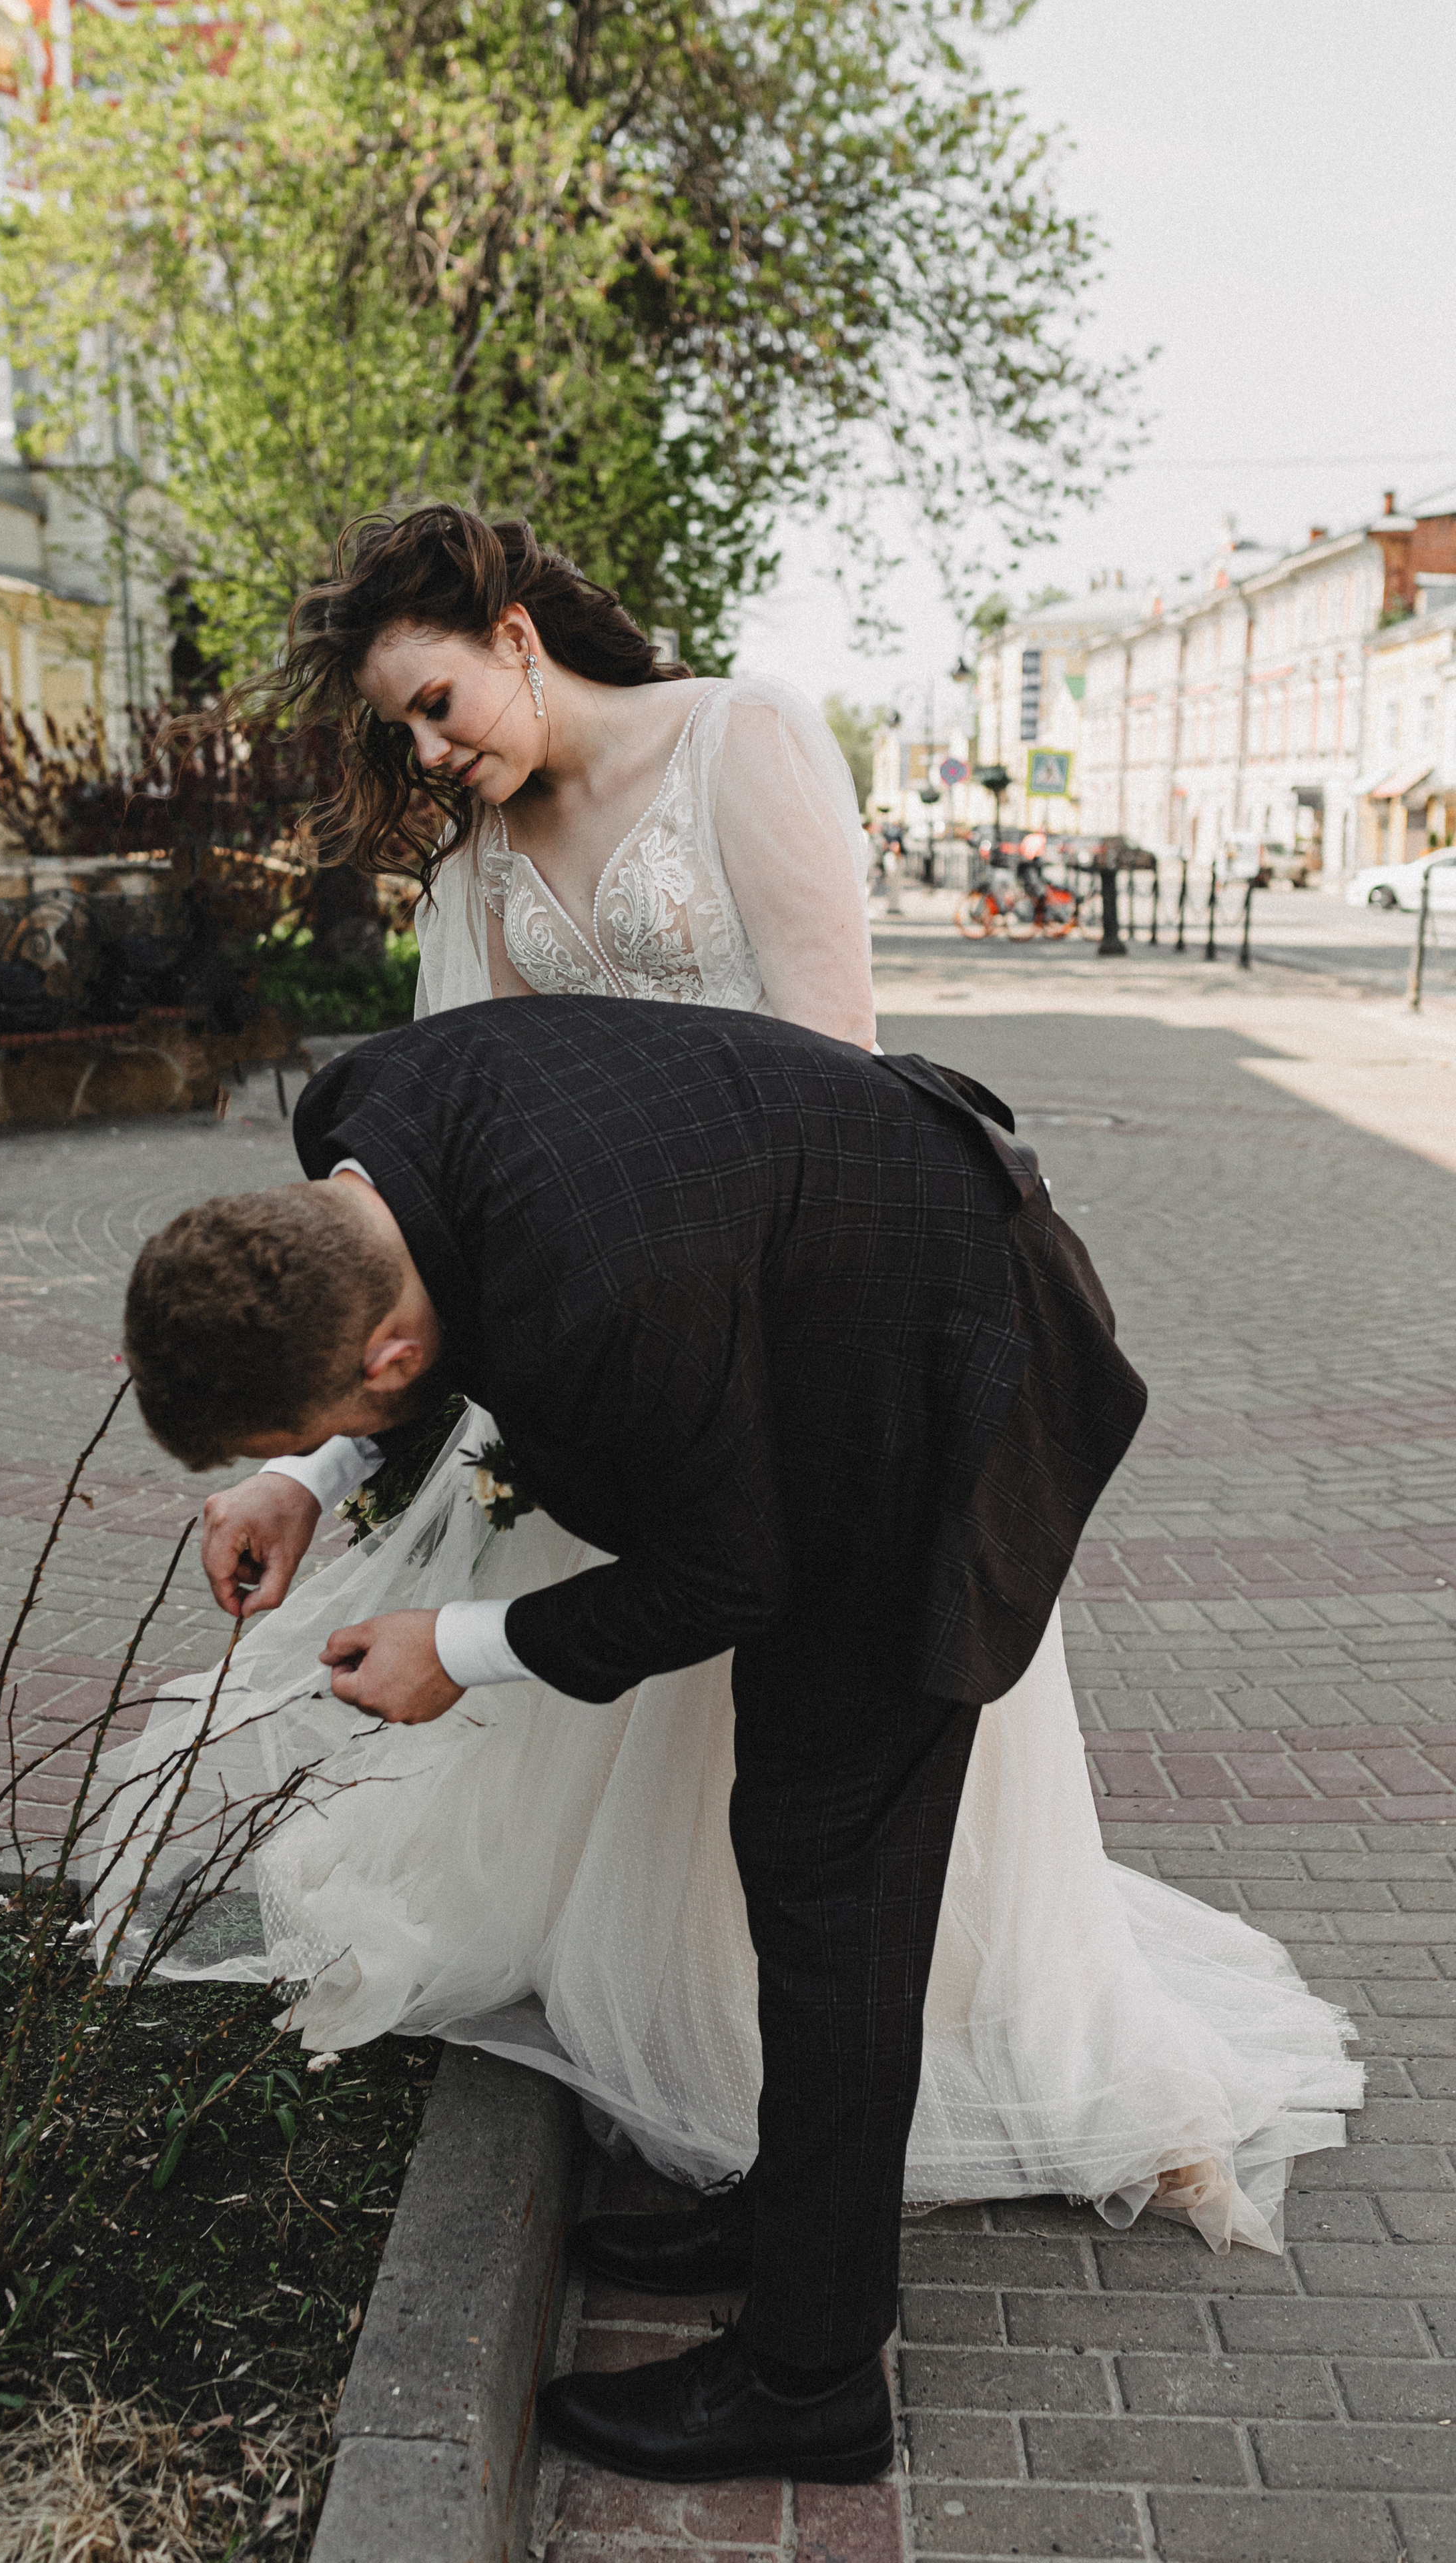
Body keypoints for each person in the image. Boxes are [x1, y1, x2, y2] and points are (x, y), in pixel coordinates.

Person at [96, 505, 1358, 2315]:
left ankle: (824, 2280)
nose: (429, 752)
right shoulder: (469, 888)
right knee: (739, 1810)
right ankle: (771, 2170)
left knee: (826, 1806)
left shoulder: (736, 741)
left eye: (437, 701)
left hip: (830, 1342)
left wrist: (593, 1465)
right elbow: (398, 1263)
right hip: (603, 1340)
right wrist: (317, 1463)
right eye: (402, 734)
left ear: (517, 633)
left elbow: (825, 1077)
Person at [119, 996, 1150, 2479]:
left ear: (389, 1350)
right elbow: (426, 1328)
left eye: (337, 1406)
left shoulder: (592, 1291)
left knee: (829, 1865)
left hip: (949, 1370)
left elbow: (729, 1576)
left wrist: (460, 1652)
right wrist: (309, 1467)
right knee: (783, 1835)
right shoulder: (363, 1121)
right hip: (809, 1290)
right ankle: (799, 2217)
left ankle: (812, 2380)